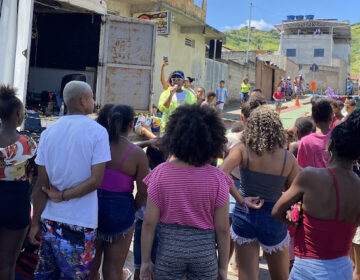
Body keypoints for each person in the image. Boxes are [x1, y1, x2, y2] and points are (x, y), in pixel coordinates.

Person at [139, 105, 262, 280]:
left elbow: (149, 223)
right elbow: (223, 230)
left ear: (175, 136)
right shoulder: (218, 178)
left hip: (169, 251)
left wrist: (145, 262)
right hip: (204, 253)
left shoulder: (160, 173)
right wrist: (222, 269)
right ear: (212, 140)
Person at [29, 81, 111, 279]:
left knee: (47, 275)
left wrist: (34, 223)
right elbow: (95, 181)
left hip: (49, 220)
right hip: (80, 223)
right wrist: (63, 196)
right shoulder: (98, 132)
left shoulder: (49, 133)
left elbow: (41, 184)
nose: (94, 101)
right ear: (83, 100)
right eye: (91, 97)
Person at [272, 110, 360, 280]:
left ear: (331, 146)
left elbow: (277, 211)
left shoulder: (310, 176)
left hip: (308, 268)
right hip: (343, 269)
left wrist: (296, 221)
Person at [221, 106, 300, 280]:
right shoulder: (288, 158)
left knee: (247, 275)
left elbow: (220, 173)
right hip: (274, 216)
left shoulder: (242, 150)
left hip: (245, 213)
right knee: (280, 276)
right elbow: (297, 191)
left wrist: (240, 198)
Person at [91, 104, 149, 280]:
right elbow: (142, 192)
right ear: (131, 124)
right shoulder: (138, 154)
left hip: (92, 208)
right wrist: (132, 208)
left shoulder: (95, 145)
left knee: (91, 269)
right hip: (121, 210)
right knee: (113, 271)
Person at [0, 85, 37, 280]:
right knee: (7, 263)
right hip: (16, 205)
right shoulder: (27, 143)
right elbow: (36, 173)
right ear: (17, 113)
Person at [133, 146, 165, 280]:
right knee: (156, 267)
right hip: (162, 224)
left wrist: (133, 209)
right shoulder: (166, 174)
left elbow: (141, 195)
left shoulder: (146, 173)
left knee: (140, 265)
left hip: (143, 223)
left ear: (148, 158)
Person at [297, 98, 333, 168]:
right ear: (331, 117)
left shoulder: (305, 141)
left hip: (312, 179)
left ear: (312, 117)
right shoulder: (339, 136)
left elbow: (301, 168)